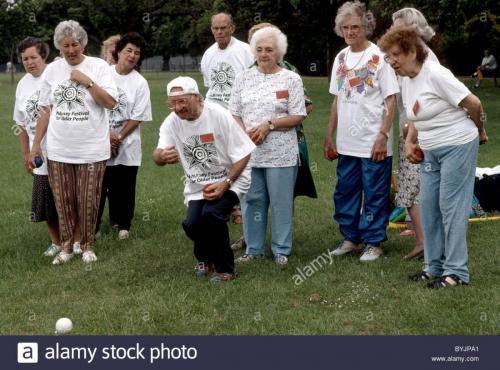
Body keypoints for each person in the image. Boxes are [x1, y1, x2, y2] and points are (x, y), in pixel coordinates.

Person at [379, 26, 488, 288]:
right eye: (388, 56)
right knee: (428, 205)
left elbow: (473, 103)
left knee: (451, 207)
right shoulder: (405, 79)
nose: (391, 61)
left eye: (395, 55)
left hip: (457, 144)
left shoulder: (436, 74)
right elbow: (415, 115)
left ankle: (457, 272)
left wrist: (480, 130)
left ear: (413, 51)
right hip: (429, 150)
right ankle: (433, 266)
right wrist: (409, 142)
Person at [29, 20, 117, 264]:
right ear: (59, 47)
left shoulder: (99, 67)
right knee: (64, 201)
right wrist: (36, 144)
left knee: (88, 200)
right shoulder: (52, 71)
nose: (70, 50)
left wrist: (86, 81)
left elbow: (110, 102)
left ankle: (87, 245)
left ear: (83, 43)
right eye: (65, 45)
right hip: (59, 148)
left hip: (91, 149)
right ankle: (67, 247)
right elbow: (45, 109)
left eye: (74, 44)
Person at [153, 76, 255, 283]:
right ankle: (205, 258)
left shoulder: (219, 115)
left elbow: (245, 153)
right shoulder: (172, 122)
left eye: (182, 101)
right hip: (197, 184)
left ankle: (225, 269)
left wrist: (226, 184)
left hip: (232, 177)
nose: (177, 108)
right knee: (192, 224)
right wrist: (161, 157)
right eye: (172, 103)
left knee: (212, 214)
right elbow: (157, 154)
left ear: (198, 98)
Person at [230, 22, 317, 252]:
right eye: (259, 49)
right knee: (252, 202)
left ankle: (281, 250)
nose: (263, 54)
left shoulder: (291, 78)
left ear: (278, 52)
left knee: (281, 203)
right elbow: (234, 112)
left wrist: (270, 125)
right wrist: (244, 135)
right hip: (250, 152)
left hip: (282, 152)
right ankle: (254, 250)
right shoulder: (243, 78)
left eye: (269, 49)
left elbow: (299, 114)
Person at [324, 1, 398, 262]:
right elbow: (337, 99)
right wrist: (329, 134)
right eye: (345, 27)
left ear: (366, 26)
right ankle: (351, 238)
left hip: (373, 142)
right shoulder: (341, 58)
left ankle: (374, 242)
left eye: (355, 26)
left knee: (375, 193)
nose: (350, 31)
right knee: (345, 191)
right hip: (346, 143)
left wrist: (383, 135)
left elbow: (391, 100)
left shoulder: (380, 57)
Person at [391, 7, 439, 260]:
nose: (393, 32)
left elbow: (422, 101)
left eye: (398, 27)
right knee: (416, 187)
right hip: (413, 128)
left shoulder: (425, 59)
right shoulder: (414, 54)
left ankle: (425, 243)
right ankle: (424, 238)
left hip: (418, 131)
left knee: (413, 187)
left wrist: (411, 134)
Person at [96, 32, 152, 240]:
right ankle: (95, 227)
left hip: (127, 144)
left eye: (137, 53)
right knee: (99, 187)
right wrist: (106, 136)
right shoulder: (103, 74)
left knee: (124, 186)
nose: (132, 55)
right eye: (128, 50)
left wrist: (117, 137)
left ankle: (123, 226)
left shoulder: (140, 83)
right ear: (118, 52)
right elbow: (94, 106)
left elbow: (138, 117)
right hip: (99, 140)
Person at [13, 37, 61, 257]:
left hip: (62, 146)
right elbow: (20, 123)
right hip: (38, 151)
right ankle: (56, 242)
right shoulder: (22, 84)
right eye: (25, 59)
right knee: (45, 196)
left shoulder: (56, 76)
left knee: (67, 196)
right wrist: (26, 153)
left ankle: (77, 240)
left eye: (33, 57)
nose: (30, 62)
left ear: (44, 56)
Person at [200, 12, 254, 108]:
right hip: (213, 108)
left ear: (232, 29)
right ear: (212, 30)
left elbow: (254, 84)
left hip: (239, 108)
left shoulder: (247, 51)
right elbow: (209, 85)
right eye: (216, 28)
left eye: (223, 28)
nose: (219, 32)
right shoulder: (208, 54)